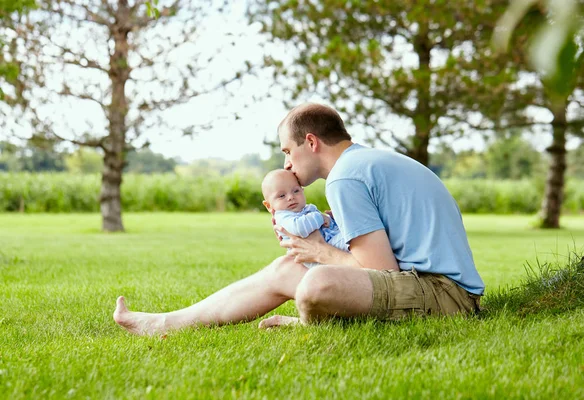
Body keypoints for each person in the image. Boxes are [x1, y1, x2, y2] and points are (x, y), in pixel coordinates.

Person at [113, 103, 485, 336]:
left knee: (317, 282)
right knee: (285, 268)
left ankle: (308, 324)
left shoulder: (346, 177)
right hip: (437, 287)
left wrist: (319, 251)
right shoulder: (366, 162)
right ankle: (167, 323)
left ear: (311, 142)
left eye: (288, 151)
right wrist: (312, 249)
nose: (287, 164)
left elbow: (381, 271)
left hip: (445, 295)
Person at [261, 168, 348, 268]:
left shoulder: (306, 209)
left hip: (326, 245)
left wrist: (332, 219)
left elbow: (326, 224)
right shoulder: (282, 217)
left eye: (296, 191)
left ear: (302, 191)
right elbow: (300, 228)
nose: (290, 197)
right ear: (268, 205)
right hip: (311, 257)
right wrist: (320, 217)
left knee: (351, 235)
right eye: (281, 196)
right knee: (352, 240)